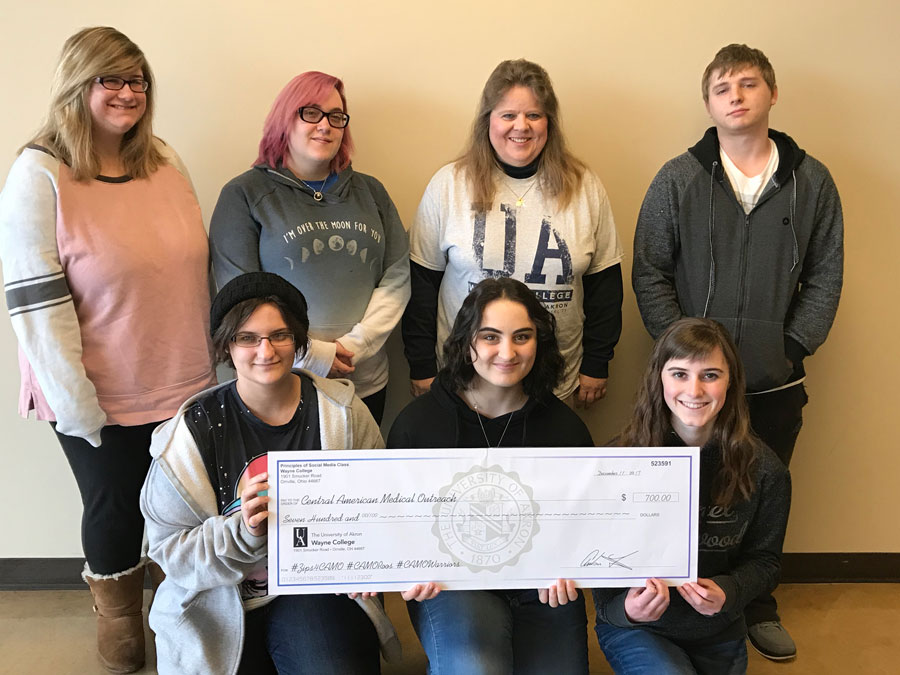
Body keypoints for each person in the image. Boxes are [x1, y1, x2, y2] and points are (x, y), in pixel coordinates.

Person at [0, 27, 214, 673]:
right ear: (77, 84)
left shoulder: (165, 160)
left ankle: (186, 623)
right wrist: (75, 403)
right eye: (110, 79)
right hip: (97, 388)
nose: (128, 93)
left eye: (138, 80)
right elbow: (35, 304)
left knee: (184, 509)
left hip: (183, 376)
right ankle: (121, 638)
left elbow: (188, 267)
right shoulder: (40, 173)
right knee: (115, 511)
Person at [631, 43, 842, 660]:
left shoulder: (812, 180)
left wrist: (792, 347)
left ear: (771, 94)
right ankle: (677, 595)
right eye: (723, 88)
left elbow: (827, 273)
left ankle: (754, 604)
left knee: (762, 496)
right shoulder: (678, 177)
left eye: (749, 84)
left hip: (773, 384)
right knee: (685, 496)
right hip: (692, 387)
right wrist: (686, 357)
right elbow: (649, 270)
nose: (737, 97)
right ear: (708, 103)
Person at [140, 272, 405, 674]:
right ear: (227, 344)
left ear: (299, 339)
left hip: (318, 590)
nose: (265, 350)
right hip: (217, 596)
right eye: (247, 338)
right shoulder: (188, 435)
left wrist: (369, 563)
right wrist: (242, 532)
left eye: (279, 335)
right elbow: (171, 552)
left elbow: (381, 509)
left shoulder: (345, 415)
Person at [389, 277, 594, 675]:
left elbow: (582, 524)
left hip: (543, 588)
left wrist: (576, 565)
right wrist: (407, 566)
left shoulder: (566, 430)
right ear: (467, 343)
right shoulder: (418, 425)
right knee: (476, 669)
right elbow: (397, 523)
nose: (507, 352)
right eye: (490, 337)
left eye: (522, 336)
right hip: (454, 585)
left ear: (540, 342)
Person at [402, 58, 623, 410]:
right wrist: (422, 366)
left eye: (534, 115)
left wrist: (598, 363)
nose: (521, 126)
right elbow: (421, 285)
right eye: (508, 115)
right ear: (487, 120)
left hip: (554, 381)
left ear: (549, 122)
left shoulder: (584, 186)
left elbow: (605, 287)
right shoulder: (449, 185)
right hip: (463, 382)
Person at [209, 71, 410, 425]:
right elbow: (239, 296)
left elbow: (397, 275)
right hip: (283, 383)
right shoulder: (244, 195)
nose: (325, 126)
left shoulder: (371, 191)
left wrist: (356, 347)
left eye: (336, 117)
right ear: (285, 119)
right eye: (311, 113)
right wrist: (314, 355)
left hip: (363, 380)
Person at [593, 318, 791, 675]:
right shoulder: (615, 463)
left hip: (718, 627)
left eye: (710, 375)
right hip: (639, 628)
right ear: (659, 379)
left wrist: (729, 592)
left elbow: (766, 561)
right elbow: (598, 571)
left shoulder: (765, 470)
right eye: (680, 374)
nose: (695, 390)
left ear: (731, 382)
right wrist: (625, 610)